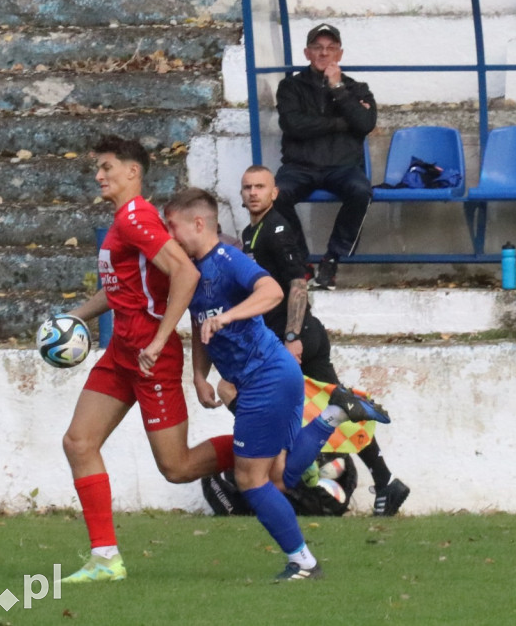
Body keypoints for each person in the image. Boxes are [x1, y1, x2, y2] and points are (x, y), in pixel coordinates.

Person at [162, 188, 389, 581]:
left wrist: (229, 317)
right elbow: (202, 324)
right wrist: (199, 376)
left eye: (172, 227)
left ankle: (303, 562)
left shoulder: (229, 259)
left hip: (265, 378)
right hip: (271, 376)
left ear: (198, 224)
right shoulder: (194, 272)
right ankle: (333, 412)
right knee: (281, 475)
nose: (168, 237)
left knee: (253, 480)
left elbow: (273, 291)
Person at [59, 136, 236, 583]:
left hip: (149, 359)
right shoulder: (126, 219)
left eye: (106, 167)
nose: (99, 176)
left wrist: (158, 342)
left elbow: (186, 273)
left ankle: (271, 444)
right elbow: (120, 287)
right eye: (97, 169)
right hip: (122, 351)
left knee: (176, 468)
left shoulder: (136, 217)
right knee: (79, 442)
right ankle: (105, 558)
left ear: (132, 172)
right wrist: (74, 317)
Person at [239, 164, 410, 516]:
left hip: (296, 336)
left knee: (273, 407)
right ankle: (386, 481)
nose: (254, 192)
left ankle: (292, 479)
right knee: (339, 408)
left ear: (275, 193)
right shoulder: (250, 232)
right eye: (248, 187)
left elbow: (298, 284)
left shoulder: (278, 229)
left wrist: (292, 336)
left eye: (260, 187)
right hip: (293, 335)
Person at [274, 22, 377, 290]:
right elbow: (293, 125)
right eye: (317, 48)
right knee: (275, 195)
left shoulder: (356, 88)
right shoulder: (290, 87)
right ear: (307, 53)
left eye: (331, 48)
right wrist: (343, 122)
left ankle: (332, 258)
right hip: (300, 166)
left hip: (342, 167)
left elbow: (365, 123)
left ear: (339, 54)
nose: (324, 54)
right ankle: (301, 263)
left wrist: (338, 89)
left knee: (360, 190)